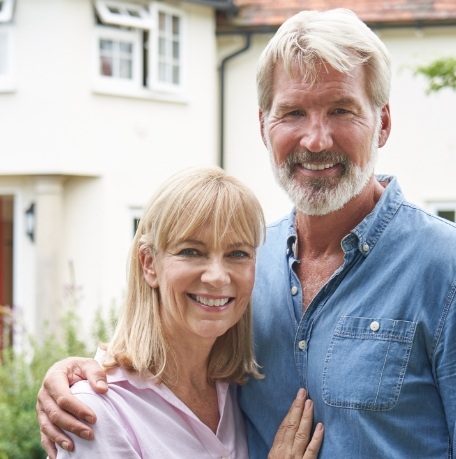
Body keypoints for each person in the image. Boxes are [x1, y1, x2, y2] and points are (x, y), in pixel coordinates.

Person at [38, 8, 456, 458]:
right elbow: (168, 372)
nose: (316, 140)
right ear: (263, 126)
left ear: (384, 123)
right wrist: (80, 376)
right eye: (293, 112)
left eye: (341, 110)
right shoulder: (247, 266)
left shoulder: (443, 268)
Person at [48, 166, 324, 458]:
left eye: (237, 254)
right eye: (192, 251)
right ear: (149, 264)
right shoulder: (97, 409)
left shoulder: (237, 390)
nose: (217, 276)